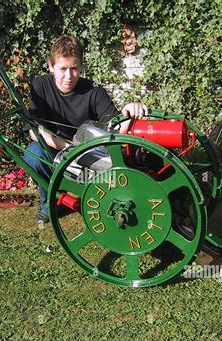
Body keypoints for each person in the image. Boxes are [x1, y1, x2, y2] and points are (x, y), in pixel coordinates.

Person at [23, 35, 148, 224]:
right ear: (51, 67)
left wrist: (128, 112)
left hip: (86, 152)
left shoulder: (93, 91)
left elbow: (115, 127)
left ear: (81, 67)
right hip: (56, 147)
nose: (68, 76)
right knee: (33, 154)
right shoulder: (41, 85)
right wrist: (68, 147)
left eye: (74, 69)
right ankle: (50, 202)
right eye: (63, 69)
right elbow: (34, 131)